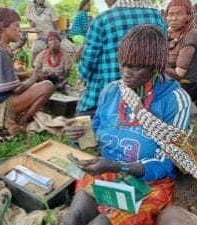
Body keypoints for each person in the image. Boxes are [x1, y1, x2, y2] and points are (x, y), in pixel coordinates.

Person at [61, 25, 192, 225]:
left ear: (155, 66)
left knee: (101, 223)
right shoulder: (111, 91)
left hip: (149, 183)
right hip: (106, 173)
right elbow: (96, 135)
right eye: (123, 65)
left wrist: (118, 165)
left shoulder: (175, 100)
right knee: (73, 217)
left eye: (136, 67)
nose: (126, 73)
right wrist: (79, 135)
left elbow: (167, 162)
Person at [77, 0, 167, 117]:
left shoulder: (103, 19)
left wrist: (81, 75)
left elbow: (88, 61)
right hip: (146, 95)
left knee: (84, 122)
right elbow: (163, 55)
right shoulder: (157, 17)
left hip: (107, 96)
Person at [0, 7, 54, 133]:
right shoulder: (0, 53)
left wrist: (28, 75)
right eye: (17, 26)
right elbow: (17, 89)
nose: (20, 30)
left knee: (29, 79)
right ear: (3, 26)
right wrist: (34, 77)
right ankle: (22, 122)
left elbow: (7, 75)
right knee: (47, 86)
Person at [165, 0, 197, 101]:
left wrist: (153, 68)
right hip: (171, 80)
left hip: (186, 85)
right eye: (170, 14)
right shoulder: (169, 33)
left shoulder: (191, 34)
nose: (174, 18)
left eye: (180, 14)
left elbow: (179, 73)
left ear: (188, 16)